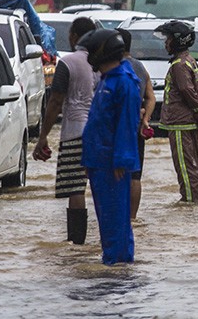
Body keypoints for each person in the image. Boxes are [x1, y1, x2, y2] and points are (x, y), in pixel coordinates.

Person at [78, 29, 142, 265]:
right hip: (98, 161)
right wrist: (87, 159)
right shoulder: (108, 80)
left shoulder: (124, 82)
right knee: (107, 220)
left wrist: (122, 160)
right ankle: (114, 264)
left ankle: (117, 268)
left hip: (112, 164)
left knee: (115, 220)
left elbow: (127, 124)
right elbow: (97, 123)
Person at [32, 17, 97, 245]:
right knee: (99, 186)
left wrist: (43, 137)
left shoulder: (67, 63)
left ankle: (77, 243)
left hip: (74, 133)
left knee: (75, 188)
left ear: (74, 37)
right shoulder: (102, 64)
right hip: (100, 133)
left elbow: (55, 101)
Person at [154, 20, 198, 203]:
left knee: (185, 167)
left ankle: (190, 202)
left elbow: (187, 91)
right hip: (188, 121)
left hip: (180, 123)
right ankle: (197, 199)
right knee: (193, 164)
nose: (165, 43)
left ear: (178, 41)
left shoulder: (179, 65)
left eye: (168, 39)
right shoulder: (189, 61)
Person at [116, 28, 156, 221]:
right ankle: (132, 218)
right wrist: (146, 119)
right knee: (135, 175)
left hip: (118, 127)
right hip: (137, 126)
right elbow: (151, 98)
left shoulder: (114, 67)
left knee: (116, 173)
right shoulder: (140, 67)